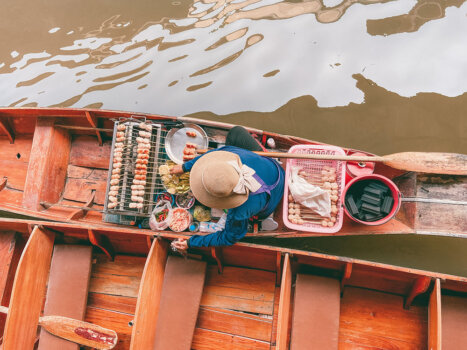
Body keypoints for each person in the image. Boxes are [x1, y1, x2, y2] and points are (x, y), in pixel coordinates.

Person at [171, 126, 284, 252]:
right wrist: (184, 167)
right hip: (274, 169)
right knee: (236, 133)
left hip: (272, 196)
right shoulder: (233, 154)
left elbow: (229, 237)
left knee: (241, 221)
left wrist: (191, 242)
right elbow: (212, 155)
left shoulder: (238, 211)